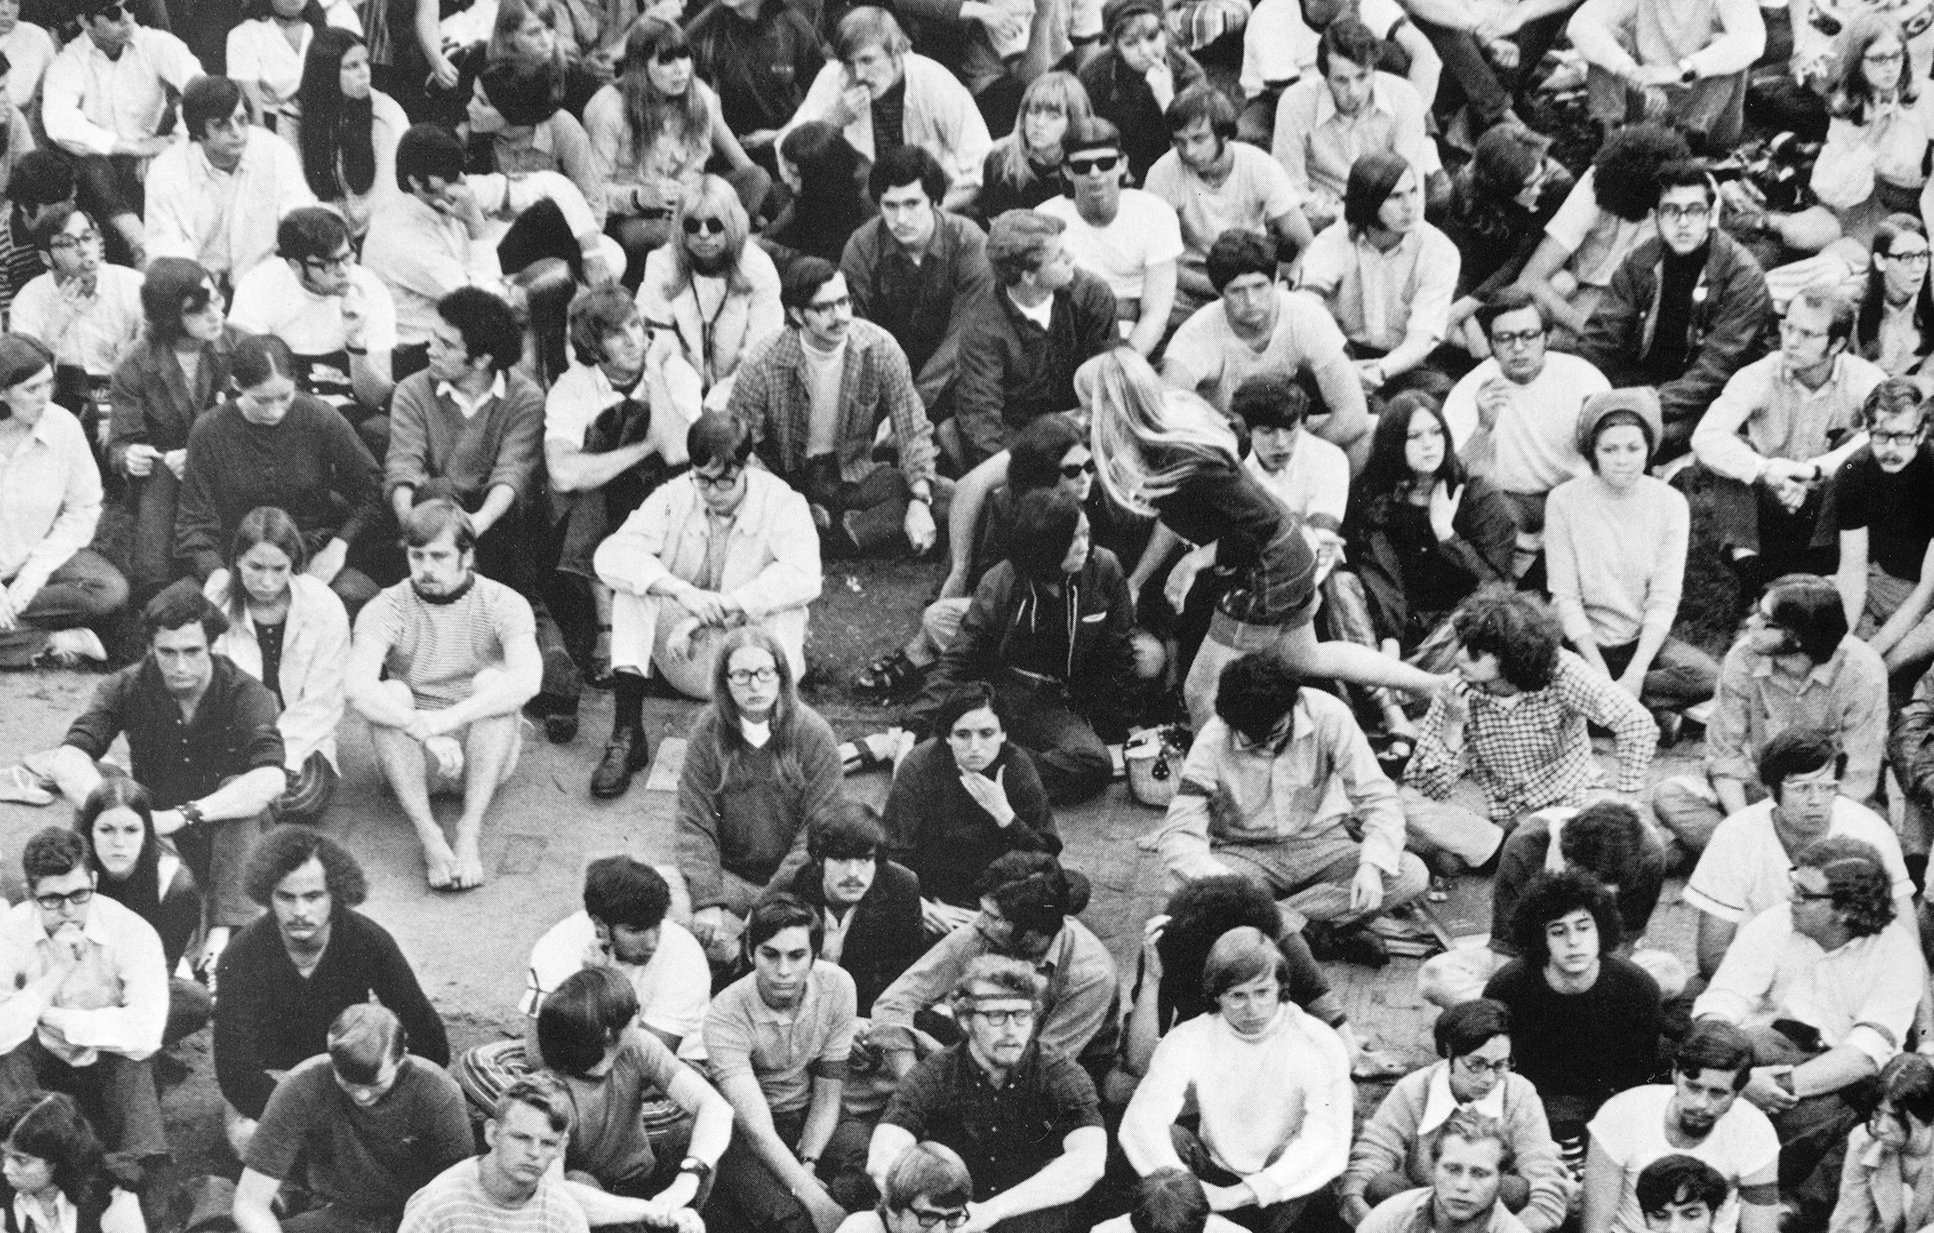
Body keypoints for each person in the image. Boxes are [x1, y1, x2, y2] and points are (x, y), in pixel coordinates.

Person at [1087, 348, 1450, 727]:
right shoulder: (1172, 438)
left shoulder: (1180, 454)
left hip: (1270, 564)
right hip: (1287, 552)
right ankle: (1435, 684)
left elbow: (1254, 527)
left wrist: (1194, 561)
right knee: (1307, 657)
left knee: (1199, 692)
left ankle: (1209, 782)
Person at [34, 586, 285, 969]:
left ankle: (223, 938)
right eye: (167, 652)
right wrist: (121, 812)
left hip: (226, 839)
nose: (180, 666)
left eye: (192, 652)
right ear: (150, 646)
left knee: (241, 789)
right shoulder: (124, 686)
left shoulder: (246, 692)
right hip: (147, 832)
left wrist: (182, 816)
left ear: (212, 646)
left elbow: (271, 780)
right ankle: (81, 903)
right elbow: (68, 759)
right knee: (102, 781)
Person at [590, 413, 819, 793]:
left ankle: (769, 736)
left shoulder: (781, 501)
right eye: (703, 479)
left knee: (788, 605)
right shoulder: (675, 494)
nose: (712, 491)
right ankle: (626, 735)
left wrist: (724, 606)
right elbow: (610, 556)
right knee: (635, 587)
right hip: (687, 659)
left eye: (724, 480)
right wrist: (681, 592)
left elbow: (806, 575)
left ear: (746, 466)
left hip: (749, 663)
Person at [1154, 649, 1431, 953]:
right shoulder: (1212, 740)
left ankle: (1273, 928)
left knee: (1411, 873)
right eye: (1251, 741)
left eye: (1275, 733)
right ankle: (1313, 930)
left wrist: (1371, 864)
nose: (1268, 746)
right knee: (1182, 893)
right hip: (1247, 855)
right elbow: (1179, 833)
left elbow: (1378, 797)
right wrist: (1232, 886)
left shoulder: (1329, 714)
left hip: (1324, 844)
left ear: (1295, 703)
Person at [1692, 835, 1925, 1192]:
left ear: (1846, 910)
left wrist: (1772, 1087)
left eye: (1804, 893)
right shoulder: (1775, 922)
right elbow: (1720, 1003)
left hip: (1836, 1079)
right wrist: (1735, 1076)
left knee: (1857, 1118)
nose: (1791, 898)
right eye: (1793, 884)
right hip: (1760, 1055)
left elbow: (1862, 1056)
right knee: (1702, 1042)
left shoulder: (1897, 954)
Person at [215, 827, 451, 1159]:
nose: (299, 911)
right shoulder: (241, 956)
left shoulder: (367, 940)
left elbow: (428, 1034)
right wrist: (317, 1117)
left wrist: (386, 1089)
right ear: (268, 895)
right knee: (251, 1139)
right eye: (286, 897)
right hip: (276, 1083)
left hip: (355, 1075)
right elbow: (236, 1073)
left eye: (312, 896)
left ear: (335, 895)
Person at [346, 500, 543, 890]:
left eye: (439, 556)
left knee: (494, 684)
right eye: (416, 556)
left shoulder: (503, 601)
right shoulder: (386, 606)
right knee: (391, 693)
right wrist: (423, 730)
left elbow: (529, 680)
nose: (426, 568)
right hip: (415, 757)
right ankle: (430, 835)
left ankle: (470, 830)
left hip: (483, 752)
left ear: (467, 556)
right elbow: (356, 687)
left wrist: (448, 720)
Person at [902, 489, 1136, 805]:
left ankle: (973, 768)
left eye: (1086, 534)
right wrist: (913, 724)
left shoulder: (1105, 568)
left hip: (1058, 704)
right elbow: (960, 659)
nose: (1085, 547)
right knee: (934, 730)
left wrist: (1123, 728)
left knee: (1093, 764)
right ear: (1046, 546)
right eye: (1073, 539)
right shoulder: (1003, 580)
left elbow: (1118, 654)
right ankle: (976, 759)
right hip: (1004, 693)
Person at [1119, 926, 1350, 1233]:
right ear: (1216, 995)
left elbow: (1327, 1141)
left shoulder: (1318, 1041)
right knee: (1170, 1140)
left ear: (1281, 987)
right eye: (1237, 996)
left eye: (1263, 992)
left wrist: (1240, 1195)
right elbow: (1142, 1120)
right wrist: (1191, 1195)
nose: (1253, 1009)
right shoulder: (1192, 1036)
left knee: (1298, 1155)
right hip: (1211, 1173)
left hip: (1280, 1182)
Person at [452, 856, 711, 1115]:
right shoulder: (557, 944)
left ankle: (552, 1122)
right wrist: (590, 981)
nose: (651, 942)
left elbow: (644, 1070)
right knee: (478, 1064)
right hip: (573, 1061)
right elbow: (537, 1052)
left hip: (665, 1071)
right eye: (635, 931)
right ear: (600, 925)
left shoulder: (684, 954)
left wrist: (606, 982)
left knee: (684, 1108)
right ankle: (567, 1124)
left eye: (656, 926)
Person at [1651, 574, 1888, 855]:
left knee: (1868, 837)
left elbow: (1857, 783)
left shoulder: (1863, 670)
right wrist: (1745, 825)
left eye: (1765, 620)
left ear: (1798, 638)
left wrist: (1811, 823)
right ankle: (1760, 856)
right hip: (1763, 795)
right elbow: (1724, 756)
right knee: (1671, 796)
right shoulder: (1743, 657)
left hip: (1823, 805)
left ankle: (1732, 855)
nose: (1750, 622)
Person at [868, 956, 1106, 1233]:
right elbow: (883, 1155)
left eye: (1022, 1015)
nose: (1011, 1030)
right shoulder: (936, 1072)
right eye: (995, 1016)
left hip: (1027, 1217)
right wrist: (937, 1213)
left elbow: (1090, 1161)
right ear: (966, 1021)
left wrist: (991, 1211)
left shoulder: (1058, 1072)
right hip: (951, 1220)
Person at [731, 258, 941, 559]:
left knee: (939, 496)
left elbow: (912, 427)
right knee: (748, 497)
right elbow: (740, 442)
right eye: (824, 308)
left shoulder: (878, 347)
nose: (840, 316)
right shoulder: (763, 360)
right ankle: (831, 530)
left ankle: (832, 534)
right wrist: (778, 495)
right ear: (797, 314)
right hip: (789, 477)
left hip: (851, 471)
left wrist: (920, 499)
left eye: (844, 302)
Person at [1409, 586, 1659, 837]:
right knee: (1409, 806)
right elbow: (1425, 787)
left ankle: (1504, 848)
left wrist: (1627, 800)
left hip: (1565, 797)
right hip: (1491, 798)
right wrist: (1453, 725)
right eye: (1463, 645)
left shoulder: (1562, 670)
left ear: (1511, 655)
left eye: (1476, 651)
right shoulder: (1457, 687)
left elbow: (1636, 722)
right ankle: (1511, 847)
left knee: (1622, 834)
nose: (1461, 657)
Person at [363, 123, 612, 374]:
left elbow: (554, 184)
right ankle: (560, 364)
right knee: (545, 292)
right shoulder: (401, 239)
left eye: (460, 173)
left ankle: (588, 327)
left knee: (547, 216)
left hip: (470, 297)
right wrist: (475, 225)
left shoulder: (450, 188)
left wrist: (592, 254)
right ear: (415, 181)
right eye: (449, 177)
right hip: (430, 348)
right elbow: (483, 304)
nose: (460, 183)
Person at [1575, 161, 1774, 462]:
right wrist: (1579, 389)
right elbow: (1601, 340)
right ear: (1655, 217)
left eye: (1694, 210)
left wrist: (1634, 406)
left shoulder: (1742, 275)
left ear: (1710, 216)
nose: (1683, 222)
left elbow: (1715, 372)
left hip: (1708, 398)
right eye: (1671, 211)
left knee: (1637, 440)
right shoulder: (1639, 263)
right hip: (1644, 384)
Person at [870, 853, 1120, 1088]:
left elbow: (1039, 1071)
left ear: (1032, 931)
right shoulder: (984, 933)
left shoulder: (1090, 975)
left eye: (992, 917)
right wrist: (911, 1088)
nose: (978, 922)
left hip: (1060, 1072)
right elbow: (894, 1003)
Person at [1692, 283, 1885, 585]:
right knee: (1735, 450)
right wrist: (1765, 470)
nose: (1791, 342)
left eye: (1807, 334)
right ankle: (1751, 575)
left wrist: (1812, 469)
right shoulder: (1760, 374)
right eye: (1788, 327)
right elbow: (1705, 436)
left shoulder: (1864, 378)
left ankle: (1819, 569)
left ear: (1836, 344)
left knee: (1860, 446)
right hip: (1770, 497)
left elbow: (1886, 432)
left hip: (1827, 505)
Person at [173, 336, 386, 610]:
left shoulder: (318, 416)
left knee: (363, 599)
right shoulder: (210, 430)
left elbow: (372, 491)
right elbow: (193, 522)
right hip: (238, 557)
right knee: (179, 607)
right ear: (237, 386)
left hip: (308, 552)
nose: (275, 411)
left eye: (285, 397)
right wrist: (216, 573)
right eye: (262, 400)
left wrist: (338, 548)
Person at [1683, 727, 1913, 980]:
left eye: (1827, 787)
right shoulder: (1735, 834)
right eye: (1801, 788)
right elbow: (1712, 954)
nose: (1816, 800)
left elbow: (1907, 942)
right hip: (1755, 977)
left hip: (1848, 980)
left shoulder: (1871, 831)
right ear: (1771, 790)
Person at [673, 626, 841, 964]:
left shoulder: (813, 734)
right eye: (742, 675)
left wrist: (768, 905)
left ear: (781, 675)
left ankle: (743, 955)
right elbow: (694, 822)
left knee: (830, 942)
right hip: (730, 881)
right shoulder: (708, 732)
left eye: (765, 672)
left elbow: (817, 833)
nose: (755, 685)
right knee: (663, 891)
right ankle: (743, 953)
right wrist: (707, 901)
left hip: (795, 888)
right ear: (724, 681)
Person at [1545, 387, 1718, 713]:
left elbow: (1664, 597)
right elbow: (1564, 598)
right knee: (1533, 676)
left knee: (1705, 677)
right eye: (1609, 449)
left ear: (1649, 449)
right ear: (1592, 451)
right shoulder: (1564, 501)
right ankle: (1648, 714)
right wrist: (1596, 671)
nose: (1622, 460)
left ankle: (1606, 709)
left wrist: (1637, 672)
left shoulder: (1670, 503)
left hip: (1642, 645)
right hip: (1582, 643)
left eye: (1633, 448)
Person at [231, 1004, 474, 1233]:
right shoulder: (302, 1086)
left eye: (376, 1083)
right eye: (347, 1082)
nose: (362, 1094)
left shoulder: (438, 1093)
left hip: (413, 1215)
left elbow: (458, 1193)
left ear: (402, 1058)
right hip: (338, 1210)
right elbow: (250, 1201)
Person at [0, 827, 166, 1162]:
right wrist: (57, 972)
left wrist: (51, 1018)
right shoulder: (10, 934)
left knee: (134, 1060)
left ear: (93, 880)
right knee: (8, 1056)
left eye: (79, 894)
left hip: (104, 1057)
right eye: (52, 899)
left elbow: (147, 1033)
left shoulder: (130, 930)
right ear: (30, 893)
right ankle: (26, 1171)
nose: (68, 911)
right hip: (40, 1060)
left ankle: (138, 1183)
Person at [703, 894, 864, 1233]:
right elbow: (756, 1127)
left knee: (870, 1175)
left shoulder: (838, 986)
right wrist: (812, 1197)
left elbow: (828, 1092)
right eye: (770, 954)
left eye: (797, 955)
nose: (783, 971)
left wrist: (808, 1162)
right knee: (794, 1220)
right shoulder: (724, 1013)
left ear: (815, 956)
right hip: (745, 1131)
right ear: (750, 952)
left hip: (809, 1110)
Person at [1336, 395, 1520, 685]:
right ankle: (1390, 694)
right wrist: (1389, 636)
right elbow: (1376, 574)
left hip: (1452, 630)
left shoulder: (1477, 496)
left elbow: (1497, 588)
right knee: (1342, 584)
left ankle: (1391, 691)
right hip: (1393, 629)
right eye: (1414, 436)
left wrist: (1446, 534)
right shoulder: (1371, 495)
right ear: (1393, 444)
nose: (1429, 443)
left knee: (1485, 612)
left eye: (1436, 432)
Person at [1417, 801, 1673, 1009]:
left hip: (1598, 965)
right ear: (1569, 859)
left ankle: (1542, 1024)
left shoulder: (1649, 854)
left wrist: (1586, 986)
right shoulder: (1526, 846)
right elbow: (1506, 956)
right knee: (1436, 976)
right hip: (1532, 964)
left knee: (1669, 972)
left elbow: (1621, 949)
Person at [1342, 1000, 1571, 1232]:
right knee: (1381, 1187)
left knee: (1517, 1190)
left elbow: (1545, 1180)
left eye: (1500, 1064)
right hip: (1422, 1209)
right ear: (1449, 1053)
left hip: (1491, 1217)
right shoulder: (1413, 1090)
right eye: (1476, 1064)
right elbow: (1368, 1162)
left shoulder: (1519, 1094)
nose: (1489, 1079)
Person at [532, 967, 732, 1214]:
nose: (640, 1016)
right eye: (635, 1011)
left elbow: (716, 1107)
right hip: (598, 1207)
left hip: (646, 1185)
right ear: (608, 1032)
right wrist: (644, 1212)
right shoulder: (551, 1093)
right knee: (577, 1179)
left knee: (687, 1132)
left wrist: (688, 1179)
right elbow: (554, 1190)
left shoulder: (636, 1048)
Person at [1482, 870, 1664, 1142]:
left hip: (1610, 1105)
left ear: (1601, 929)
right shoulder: (1509, 987)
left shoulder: (1636, 988)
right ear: (1540, 937)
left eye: (1583, 927)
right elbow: (1494, 1069)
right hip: (1531, 1106)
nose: (1574, 942)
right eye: (1558, 931)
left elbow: (1642, 1075)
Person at [385, 286, 548, 585]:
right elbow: (402, 467)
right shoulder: (412, 390)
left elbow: (512, 473)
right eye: (432, 337)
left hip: (495, 522)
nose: (430, 349)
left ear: (482, 360)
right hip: (435, 515)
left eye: (445, 345)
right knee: (439, 490)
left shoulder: (526, 399)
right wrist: (412, 527)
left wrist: (475, 525)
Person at [1160, 230, 1369, 459]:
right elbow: (1166, 419)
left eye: (1259, 286)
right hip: (1228, 447)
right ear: (1220, 292)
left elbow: (1354, 414)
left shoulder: (1306, 316)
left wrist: (1291, 456)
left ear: (1277, 279)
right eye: (1237, 291)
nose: (1251, 301)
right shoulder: (1194, 335)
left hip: (1287, 438)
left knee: (1367, 434)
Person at [107, 259, 245, 604]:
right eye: (198, 310)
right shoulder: (135, 363)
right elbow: (120, 443)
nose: (215, 314)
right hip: (165, 476)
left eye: (216, 299)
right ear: (170, 317)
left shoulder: (240, 344)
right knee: (160, 473)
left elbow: (257, 422)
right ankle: (158, 590)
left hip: (232, 463)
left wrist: (201, 454)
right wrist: (129, 456)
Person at [202, 507, 353, 823]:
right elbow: (210, 686)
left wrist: (273, 757)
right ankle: (237, 801)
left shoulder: (323, 606)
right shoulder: (217, 601)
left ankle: (229, 802)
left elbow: (323, 702)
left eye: (278, 569)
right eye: (255, 567)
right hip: (235, 732)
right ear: (238, 560)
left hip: (301, 737)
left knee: (302, 798)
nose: (267, 581)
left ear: (293, 565)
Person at [583, 19, 760, 278]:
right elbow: (594, 193)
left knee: (756, 179)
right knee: (667, 236)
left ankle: (726, 246)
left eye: (684, 57)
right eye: (666, 61)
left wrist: (693, 193)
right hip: (631, 216)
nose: (680, 71)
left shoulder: (700, 96)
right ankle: (731, 249)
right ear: (641, 66)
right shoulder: (606, 108)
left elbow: (698, 166)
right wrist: (641, 197)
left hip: (687, 206)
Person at [881, 683, 1059, 931]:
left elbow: (1046, 856)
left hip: (997, 891)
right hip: (935, 889)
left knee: (1073, 886)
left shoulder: (1016, 766)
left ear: (1003, 734)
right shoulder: (919, 766)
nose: (975, 747)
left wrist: (1004, 814)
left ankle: (987, 920)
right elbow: (893, 851)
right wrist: (918, 904)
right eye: (963, 735)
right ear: (947, 736)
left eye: (986, 734)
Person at [782, 7, 992, 215]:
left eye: (867, 60)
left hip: (932, 206)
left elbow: (981, 166)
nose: (859, 74)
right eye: (848, 63)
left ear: (895, 53)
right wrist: (829, 124)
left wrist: (929, 213)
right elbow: (784, 154)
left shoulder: (934, 81)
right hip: (860, 210)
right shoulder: (833, 78)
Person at [39, 0, 202, 265]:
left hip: (156, 149)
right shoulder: (70, 60)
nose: (127, 18)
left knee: (186, 136)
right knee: (91, 163)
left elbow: (197, 86)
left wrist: (175, 141)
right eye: (114, 13)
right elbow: (58, 122)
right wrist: (133, 147)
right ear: (84, 21)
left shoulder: (155, 42)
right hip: (105, 163)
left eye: (130, 6)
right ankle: (138, 242)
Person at [1440, 291, 1611, 542]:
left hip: (1573, 494)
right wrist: (1483, 426)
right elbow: (1453, 474)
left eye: (1529, 336)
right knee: (1487, 514)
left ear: (1547, 338)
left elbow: (1610, 458)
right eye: (1505, 338)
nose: (1518, 348)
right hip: (1508, 500)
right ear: (1491, 344)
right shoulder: (1473, 388)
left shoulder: (1583, 378)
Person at [952, 210, 1117, 468]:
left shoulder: (1092, 294)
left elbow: (1112, 377)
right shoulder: (981, 324)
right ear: (1028, 277)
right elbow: (981, 417)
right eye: (1057, 257)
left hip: (1086, 422)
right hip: (1022, 436)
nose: (1071, 258)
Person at [841, 144, 993, 422]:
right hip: (884, 378)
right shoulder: (862, 247)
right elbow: (856, 333)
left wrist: (911, 407)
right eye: (890, 205)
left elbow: (964, 336)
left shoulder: (969, 242)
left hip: (955, 374)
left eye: (912, 203)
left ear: (935, 201)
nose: (901, 219)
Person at [1581, 1023, 1781, 1233]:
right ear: (1675, 1074)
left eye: (1717, 1093)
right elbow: (1595, 1228)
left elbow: (1761, 1228)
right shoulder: (1622, 1114)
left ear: (1739, 1092)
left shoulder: (1755, 1131)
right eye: (1693, 1087)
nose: (1701, 1104)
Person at [0, 333, 122, 669]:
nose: (45, 398)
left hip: (41, 559)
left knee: (107, 589)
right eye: (31, 389)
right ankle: (55, 642)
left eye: (49, 385)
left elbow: (83, 508)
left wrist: (32, 576)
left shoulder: (63, 426)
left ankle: (14, 632)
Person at [1144, 84, 1312, 322]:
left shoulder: (1259, 166)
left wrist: (1286, 283)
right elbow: (1156, 260)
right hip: (1192, 284)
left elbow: (1305, 241)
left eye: (1199, 139)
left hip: (1252, 275)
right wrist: (1222, 289)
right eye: (1179, 142)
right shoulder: (1162, 173)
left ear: (1224, 133)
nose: (1189, 151)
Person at [1297, 152, 1460, 395]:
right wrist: (1340, 364)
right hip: (1342, 352)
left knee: (1437, 396)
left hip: (1406, 362)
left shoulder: (1439, 250)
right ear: (1368, 200)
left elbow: (1420, 340)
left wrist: (1378, 371)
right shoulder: (1335, 238)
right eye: (1395, 196)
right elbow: (1306, 305)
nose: (1410, 206)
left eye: (1413, 191)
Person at [1514, 122, 1689, 347]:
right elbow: (1531, 278)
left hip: (1649, 295)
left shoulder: (1693, 197)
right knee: (1552, 325)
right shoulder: (1597, 184)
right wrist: (1586, 329)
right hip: (1594, 289)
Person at [228, 207, 400, 421]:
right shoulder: (259, 284)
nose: (343, 271)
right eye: (328, 264)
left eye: (347, 257)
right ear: (295, 266)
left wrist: (356, 342)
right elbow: (254, 378)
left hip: (348, 391)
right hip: (283, 387)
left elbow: (375, 397)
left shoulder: (370, 289)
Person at [142, 75, 315, 287]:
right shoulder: (167, 169)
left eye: (242, 120)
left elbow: (298, 220)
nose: (237, 133)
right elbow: (166, 248)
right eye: (222, 125)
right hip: (198, 286)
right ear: (198, 131)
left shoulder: (275, 152)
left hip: (267, 283)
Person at [73, 779, 210, 1046]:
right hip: (76, 975)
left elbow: (156, 977)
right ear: (89, 830)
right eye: (106, 830)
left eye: (131, 830)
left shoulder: (175, 884)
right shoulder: (74, 869)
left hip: (139, 982)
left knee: (194, 1001)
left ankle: (104, 1047)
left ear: (147, 832)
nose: (119, 843)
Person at [633, 173, 780, 421]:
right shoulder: (661, 263)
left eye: (714, 225)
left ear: (732, 224)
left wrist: (721, 399)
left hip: (741, 383)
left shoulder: (758, 267)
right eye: (692, 225)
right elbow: (659, 337)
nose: (703, 234)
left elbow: (760, 349)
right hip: (680, 378)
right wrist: (686, 393)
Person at [1272, 20, 1437, 235]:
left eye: (1362, 76)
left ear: (1375, 69)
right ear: (1325, 77)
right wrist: (1338, 215)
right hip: (1322, 216)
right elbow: (1289, 190)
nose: (1354, 92)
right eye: (1341, 80)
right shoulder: (1295, 103)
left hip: (1386, 214)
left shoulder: (1404, 97)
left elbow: (1410, 188)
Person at [1037, 117, 1181, 359]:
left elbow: (1156, 313)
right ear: (1067, 171)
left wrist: (1123, 365)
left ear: (1122, 164)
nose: (1095, 173)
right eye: (1082, 166)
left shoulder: (1155, 213)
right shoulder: (1045, 218)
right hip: (1066, 338)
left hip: (1137, 339)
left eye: (1105, 162)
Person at [769, 804, 923, 1016]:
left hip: (868, 1014)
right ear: (819, 859)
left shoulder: (901, 888)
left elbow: (904, 976)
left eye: (865, 859)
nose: (853, 873)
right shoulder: (792, 887)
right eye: (841, 858)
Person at [1827, 380, 1934, 677]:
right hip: (1885, 581)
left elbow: (1928, 591)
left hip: (1929, 589)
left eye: (1902, 437)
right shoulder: (1853, 473)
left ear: (1922, 432)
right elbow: (1852, 571)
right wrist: (1841, 644)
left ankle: (1880, 674)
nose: (1889, 448)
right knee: (1818, 608)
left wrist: (1869, 655)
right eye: (1880, 435)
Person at [1441, 128, 1577, 358]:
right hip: (1478, 272)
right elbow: (1454, 255)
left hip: (1523, 274)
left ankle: (1497, 339)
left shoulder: (1557, 186)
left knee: (1564, 283)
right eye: (1528, 186)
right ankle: (1496, 339)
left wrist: (1463, 309)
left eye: (1538, 178)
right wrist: (1466, 317)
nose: (1537, 189)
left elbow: (1522, 257)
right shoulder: (1467, 186)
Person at [397, 1077, 589, 1233]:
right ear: (492, 1133)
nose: (534, 1152)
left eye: (547, 1143)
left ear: (561, 1147)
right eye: (521, 1137)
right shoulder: (438, 1204)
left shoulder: (564, 1217)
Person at [1566, 0, 1764, 147]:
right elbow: (1581, 24)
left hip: (1707, 115)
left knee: (1723, 45)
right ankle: (1610, 144)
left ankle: (1685, 151)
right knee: (1610, 37)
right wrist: (1631, 71)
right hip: (1647, 101)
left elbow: (1751, 41)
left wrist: (1680, 71)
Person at [9, 207, 144, 422]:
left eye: (87, 238)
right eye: (67, 243)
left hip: (129, 401)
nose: (83, 250)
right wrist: (53, 331)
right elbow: (23, 383)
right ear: (46, 258)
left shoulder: (132, 285)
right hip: (62, 409)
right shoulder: (28, 301)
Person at [463, 57, 608, 234]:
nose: (470, 107)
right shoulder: (471, 131)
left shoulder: (563, 129)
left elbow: (594, 205)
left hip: (557, 236)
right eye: (473, 96)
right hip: (496, 231)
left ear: (513, 110)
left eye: (483, 102)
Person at [292, 28, 407, 242]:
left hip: (378, 232)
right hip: (324, 231)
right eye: (352, 66)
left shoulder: (386, 114)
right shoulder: (294, 115)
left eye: (366, 62)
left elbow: (387, 197)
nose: (365, 72)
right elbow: (297, 188)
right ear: (326, 72)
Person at [683, 0, 822, 169]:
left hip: (790, 146)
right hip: (731, 159)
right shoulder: (703, 31)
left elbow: (821, 93)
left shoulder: (792, 24)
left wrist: (781, 133)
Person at [1078, 0, 1203, 185]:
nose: (1145, 51)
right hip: (1113, 162)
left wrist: (1167, 100)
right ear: (1116, 47)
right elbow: (1085, 129)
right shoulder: (1094, 73)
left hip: (1172, 163)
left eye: (1152, 37)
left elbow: (1196, 144)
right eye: (1130, 43)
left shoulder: (1187, 72)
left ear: (1164, 32)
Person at [0, 1093, 143, 1233]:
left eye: (22, 1160)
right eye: (4, 1154)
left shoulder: (114, 1205)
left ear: (58, 1160)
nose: (6, 1169)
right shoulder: (7, 1190)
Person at [1826, 1053, 1934, 1233]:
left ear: (1926, 1116)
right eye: (1877, 1113)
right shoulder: (1865, 1141)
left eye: (1895, 1117)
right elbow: (1850, 1220)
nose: (1881, 1127)